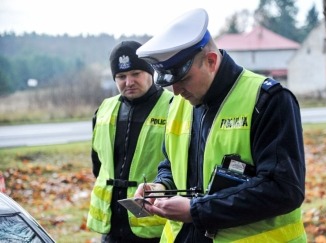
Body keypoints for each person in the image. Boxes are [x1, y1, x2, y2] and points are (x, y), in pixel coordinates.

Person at [134, 8, 307, 242]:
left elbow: (284, 189)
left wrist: (196, 210)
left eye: (183, 79)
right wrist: (162, 185)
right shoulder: (179, 103)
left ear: (211, 61)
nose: (176, 91)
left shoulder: (268, 100)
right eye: (170, 83)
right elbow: (171, 163)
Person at [87, 40, 172, 243]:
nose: (129, 82)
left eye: (135, 74)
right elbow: (98, 166)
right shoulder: (104, 110)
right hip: (111, 226)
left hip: (156, 226)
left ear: (150, 72)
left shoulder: (174, 107)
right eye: (121, 76)